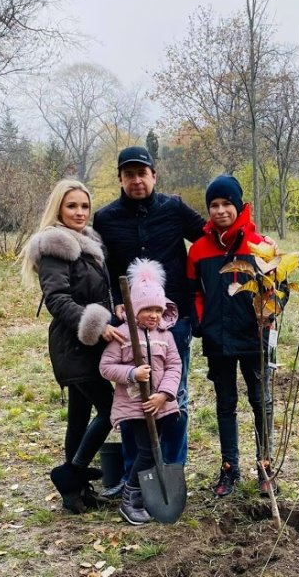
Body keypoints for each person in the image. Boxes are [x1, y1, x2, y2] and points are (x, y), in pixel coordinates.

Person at [93, 146, 206, 476]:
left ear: (154, 176)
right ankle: (136, 475)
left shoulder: (174, 208)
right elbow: (103, 267)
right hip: (128, 324)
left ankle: (172, 469)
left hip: (174, 319)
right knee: (132, 400)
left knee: (173, 394)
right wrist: (113, 299)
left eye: (142, 173)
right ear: (120, 179)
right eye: (129, 175)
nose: (136, 180)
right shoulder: (106, 218)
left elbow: (207, 237)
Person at [21, 179, 124, 513]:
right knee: (112, 408)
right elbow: (57, 298)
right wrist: (99, 325)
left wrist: (115, 311)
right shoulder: (55, 246)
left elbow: (97, 291)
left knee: (78, 418)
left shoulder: (88, 242)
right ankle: (72, 473)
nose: (80, 212)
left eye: (84, 206)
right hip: (74, 344)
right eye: (72, 206)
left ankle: (75, 492)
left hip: (90, 343)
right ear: (58, 208)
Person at [187, 175, 280, 499]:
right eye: (214, 205)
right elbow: (194, 292)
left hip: (253, 337)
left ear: (238, 206)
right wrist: (201, 322)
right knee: (225, 404)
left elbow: (276, 292)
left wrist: (269, 313)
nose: (221, 210)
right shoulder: (199, 250)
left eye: (227, 204)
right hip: (218, 339)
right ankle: (229, 469)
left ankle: (265, 467)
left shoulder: (260, 246)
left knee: (260, 401)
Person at [100, 259, 182, 525]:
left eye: (158, 309)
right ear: (135, 309)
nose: (154, 315)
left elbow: (174, 365)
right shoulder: (124, 335)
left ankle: (143, 495)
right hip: (134, 407)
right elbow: (106, 367)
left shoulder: (165, 335)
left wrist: (165, 395)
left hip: (158, 405)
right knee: (146, 451)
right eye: (147, 309)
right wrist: (132, 374)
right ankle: (129, 499)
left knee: (154, 450)